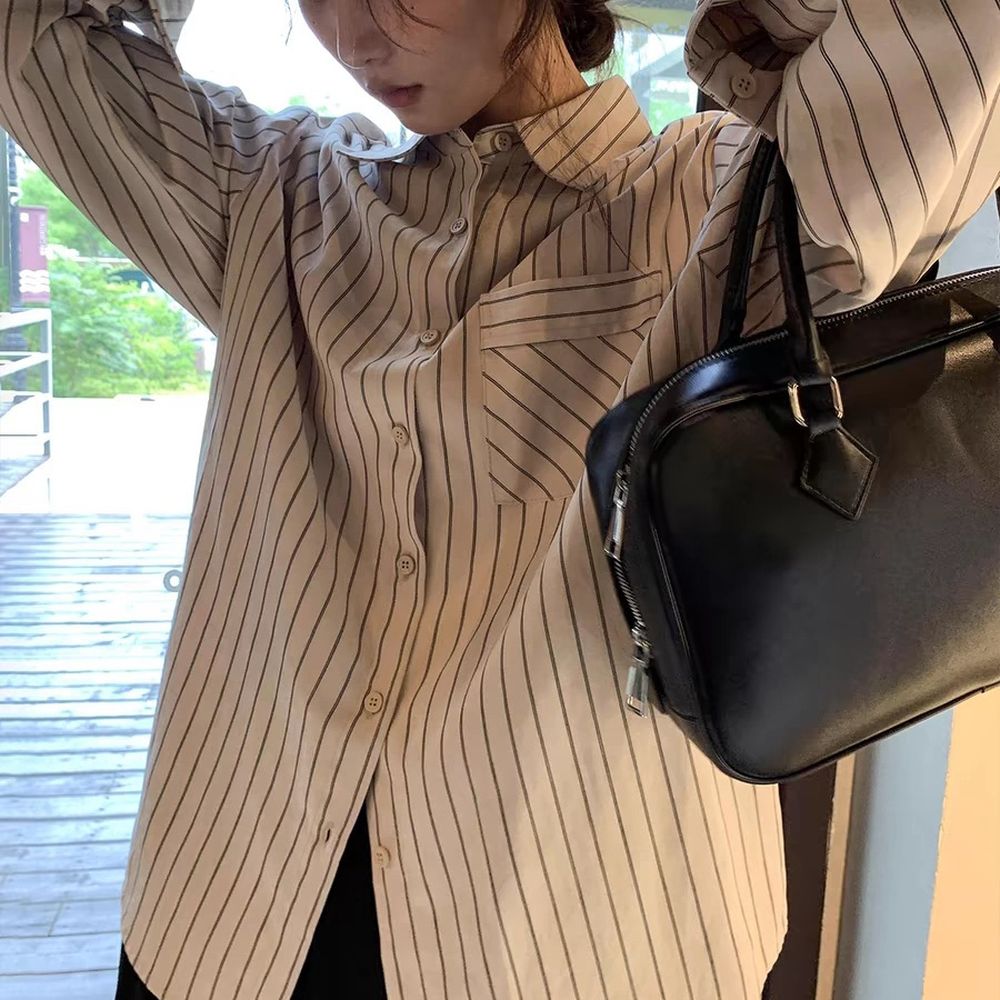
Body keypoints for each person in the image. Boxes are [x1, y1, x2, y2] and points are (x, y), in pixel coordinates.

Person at [2, 1, 997, 997]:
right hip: (231, 920)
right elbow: (30, 37)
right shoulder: (264, 194)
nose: (352, 37)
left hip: (591, 939)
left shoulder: (733, 208)